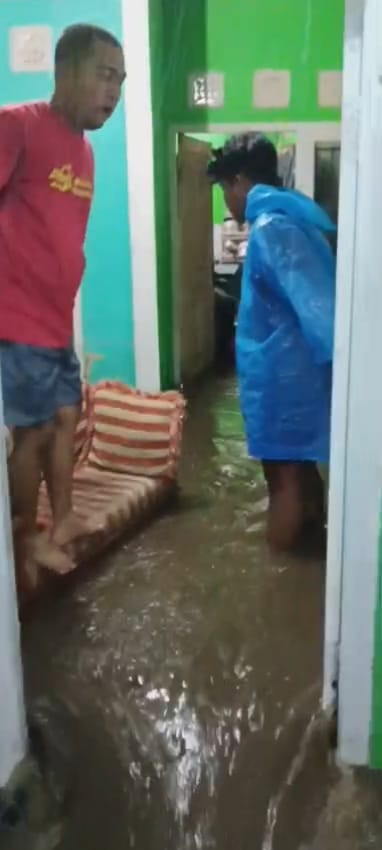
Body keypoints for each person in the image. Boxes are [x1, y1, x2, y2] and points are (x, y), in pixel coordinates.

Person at [0, 24, 126, 574]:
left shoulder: (86, 153)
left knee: (67, 414)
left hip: (56, 320)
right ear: (66, 71)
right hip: (17, 317)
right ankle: (28, 542)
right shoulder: (18, 126)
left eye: (120, 82)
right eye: (104, 76)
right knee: (30, 434)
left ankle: (66, 515)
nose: (113, 93)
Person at [208, 133, 335, 552]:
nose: (227, 199)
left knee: (282, 483)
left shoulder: (271, 228)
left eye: (226, 187)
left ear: (241, 180)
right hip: (298, 375)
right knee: (301, 474)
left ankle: (277, 578)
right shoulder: (295, 220)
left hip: (285, 382)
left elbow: (317, 308)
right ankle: (313, 563)